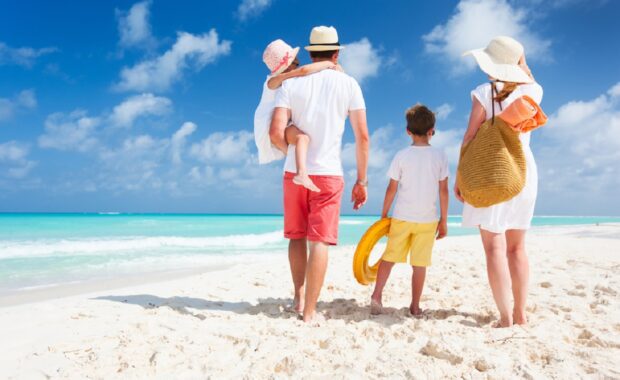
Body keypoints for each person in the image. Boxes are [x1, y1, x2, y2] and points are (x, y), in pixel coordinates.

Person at [270, 26, 369, 323]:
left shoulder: (289, 84)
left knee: (296, 237)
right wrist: (362, 180)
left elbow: (276, 133)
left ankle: (298, 298)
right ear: (336, 53)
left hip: (293, 172)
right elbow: (362, 137)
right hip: (328, 174)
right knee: (320, 243)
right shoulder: (349, 84)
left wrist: (291, 147)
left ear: (311, 53)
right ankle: (310, 312)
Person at [454, 36, 543, 327]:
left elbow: (470, 136)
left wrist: (460, 175)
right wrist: (521, 63)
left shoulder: (483, 91)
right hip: (522, 171)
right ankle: (520, 312)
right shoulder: (534, 91)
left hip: (490, 170)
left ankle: (505, 317)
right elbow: (528, 78)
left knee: (494, 248)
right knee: (517, 248)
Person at [369, 104, 449, 316]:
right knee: (419, 265)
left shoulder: (401, 155)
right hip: (428, 220)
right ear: (432, 131)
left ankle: (376, 296)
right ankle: (415, 305)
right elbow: (444, 191)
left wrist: (383, 216)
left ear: (408, 131)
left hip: (402, 217)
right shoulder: (440, 156)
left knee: (389, 258)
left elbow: (391, 189)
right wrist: (444, 220)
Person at [254, 39, 338, 192]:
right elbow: (304, 71)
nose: (299, 66)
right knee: (302, 139)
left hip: (279, 123)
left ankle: (301, 173)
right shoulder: (274, 82)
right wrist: (329, 64)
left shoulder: (285, 82)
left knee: (302, 139)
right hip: (268, 126)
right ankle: (302, 173)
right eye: (296, 63)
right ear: (288, 66)